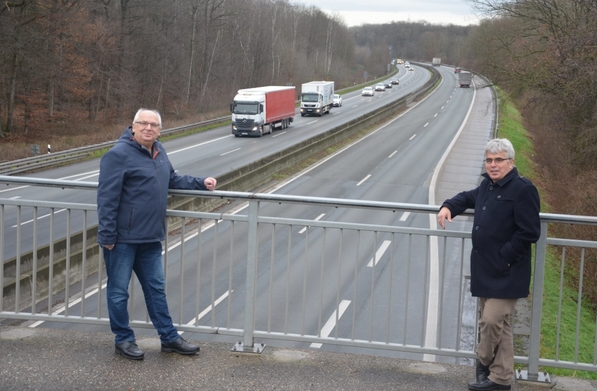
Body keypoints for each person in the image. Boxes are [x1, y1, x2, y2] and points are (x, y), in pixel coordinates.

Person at [97, 108, 217, 360]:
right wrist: (107, 236)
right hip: (122, 240)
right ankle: (124, 339)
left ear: (160, 130)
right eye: (143, 123)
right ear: (133, 126)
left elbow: (171, 179)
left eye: (154, 125)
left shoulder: (159, 151)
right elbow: (106, 199)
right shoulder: (117, 155)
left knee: (156, 290)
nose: (148, 128)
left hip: (151, 237)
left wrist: (200, 183)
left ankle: (169, 337)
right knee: (119, 292)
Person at [437, 138, 541, 391]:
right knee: (501, 325)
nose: (493, 165)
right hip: (485, 270)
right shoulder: (487, 186)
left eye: (499, 160)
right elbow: (466, 197)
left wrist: (504, 256)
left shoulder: (523, 189)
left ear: (511, 162)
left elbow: (529, 232)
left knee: (491, 321)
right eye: (489, 160)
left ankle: (483, 360)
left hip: (508, 271)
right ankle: (502, 379)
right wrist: (448, 206)